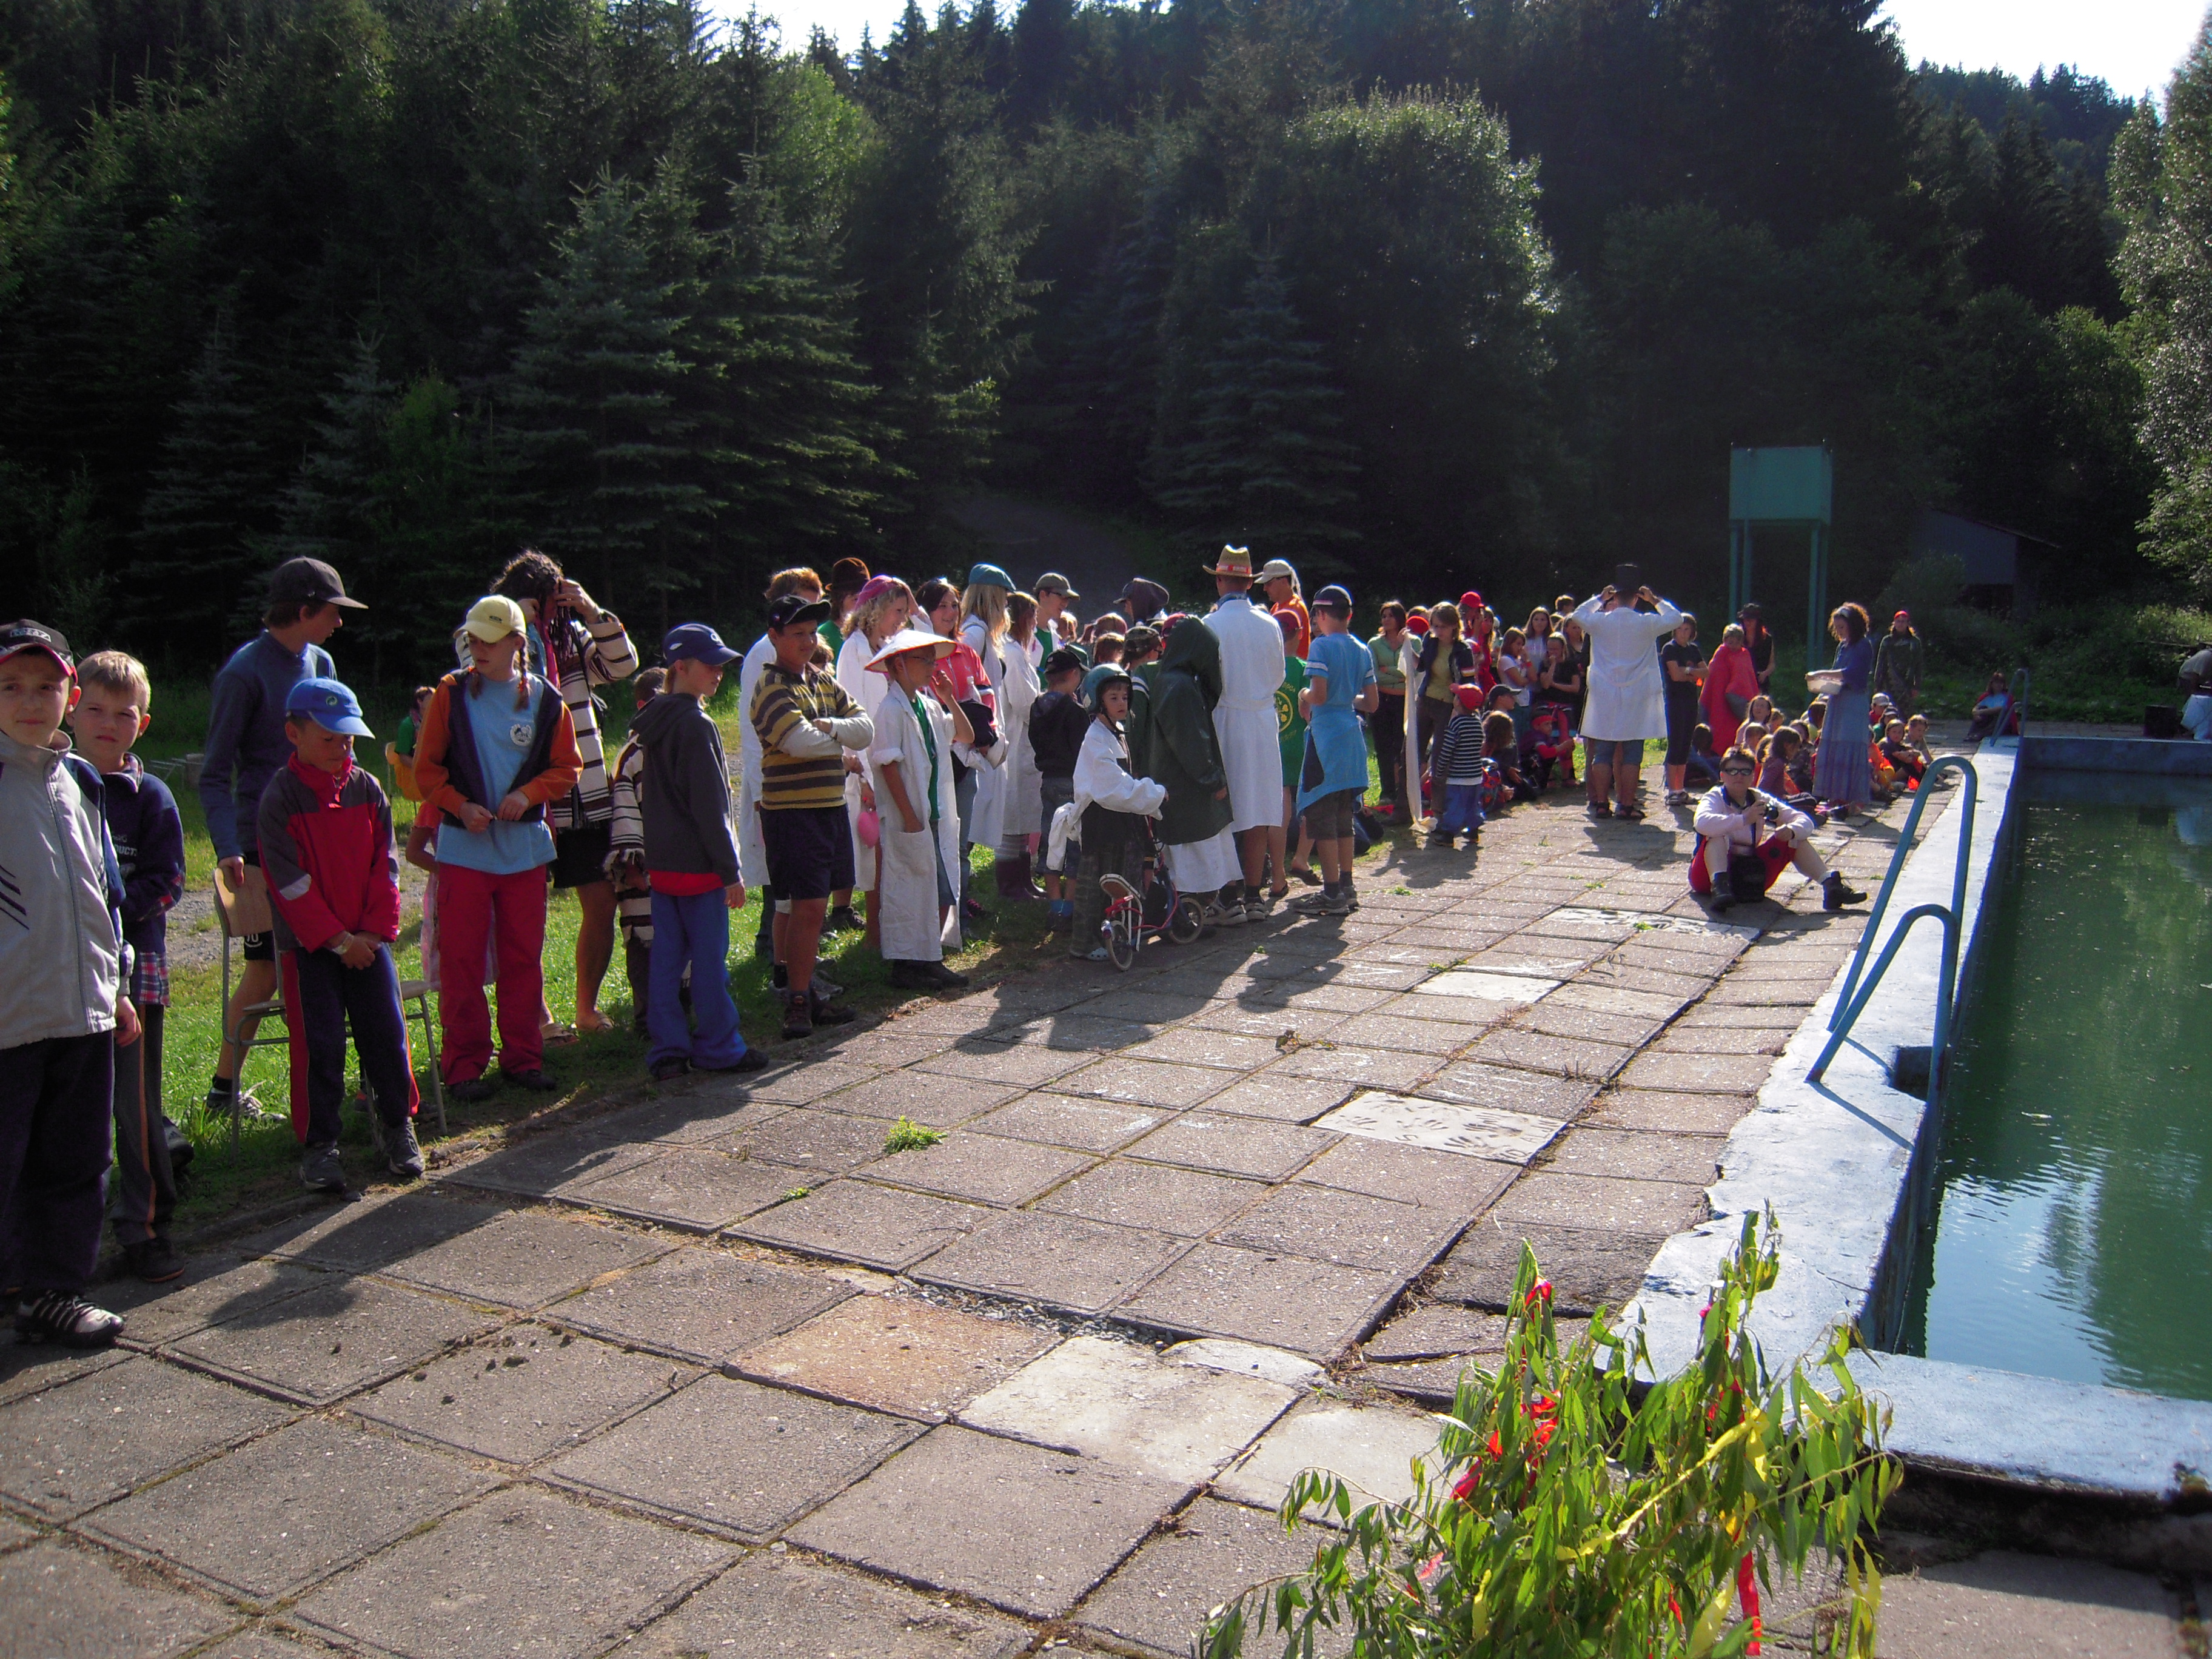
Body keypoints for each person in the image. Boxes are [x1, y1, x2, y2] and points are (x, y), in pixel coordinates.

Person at [0, 620, 134, 1347]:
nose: (31, 702)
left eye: (46, 686)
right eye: (11, 687)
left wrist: (117, 985)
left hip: (83, 1012)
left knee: (76, 1161)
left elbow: (104, 892)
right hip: (8, 1020)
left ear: (70, 695)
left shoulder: (81, 781)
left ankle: (52, 1292)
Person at [199, 556, 357, 1126]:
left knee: (327, 961)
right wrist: (228, 847)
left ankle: (329, 1086)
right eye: (333, 611)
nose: (340, 622)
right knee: (269, 970)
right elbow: (214, 774)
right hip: (264, 848)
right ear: (305, 609)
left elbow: (341, 748)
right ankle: (224, 1091)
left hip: (323, 836)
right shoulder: (244, 673)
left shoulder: (322, 662)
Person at [257, 677, 423, 1191]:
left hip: (368, 944)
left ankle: (397, 1126)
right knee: (319, 1045)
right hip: (311, 948)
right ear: (294, 734)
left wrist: (372, 934)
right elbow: (289, 884)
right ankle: (320, 1146)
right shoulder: (280, 798)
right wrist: (337, 940)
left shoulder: (367, 789)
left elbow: (385, 866)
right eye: (329, 739)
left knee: (387, 1034)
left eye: (347, 739)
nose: (341, 748)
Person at [413, 595, 581, 1101]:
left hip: (525, 854)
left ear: (516, 643)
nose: (478, 649)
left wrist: (527, 795)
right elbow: (426, 771)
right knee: (461, 962)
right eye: (472, 640)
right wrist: (460, 806)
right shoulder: (450, 693)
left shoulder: (548, 701)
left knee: (522, 960)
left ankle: (523, 1058)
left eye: (488, 640)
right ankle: (463, 1066)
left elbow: (567, 768)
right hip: (463, 854)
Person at [487, 551, 637, 1039]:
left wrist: (591, 612)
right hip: (524, 799)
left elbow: (623, 666)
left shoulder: (571, 637)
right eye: (547, 601)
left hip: (584, 797)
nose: (555, 611)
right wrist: (515, 626)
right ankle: (538, 1018)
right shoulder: (488, 633)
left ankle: (586, 1009)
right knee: (522, 917)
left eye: (560, 601)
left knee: (602, 902)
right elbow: (478, 678)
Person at [73, 652, 187, 1280]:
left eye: (124, 715)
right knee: (69, 1109)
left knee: (134, 1104)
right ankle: (57, 1242)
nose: (107, 724)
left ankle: (145, 1226)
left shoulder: (152, 797)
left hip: (132, 969)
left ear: (142, 725)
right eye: (95, 709)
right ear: (73, 710)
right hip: (61, 970)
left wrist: (106, 913)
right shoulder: (49, 785)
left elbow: (168, 881)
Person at [631, 625, 766, 1081]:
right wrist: (730, 871)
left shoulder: (653, 719)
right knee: (709, 964)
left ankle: (668, 1050)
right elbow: (710, 806)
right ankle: (718, 1047)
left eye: (721, 665)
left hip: (664, 867)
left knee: (666, 962)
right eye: (709, 665)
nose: (718, 672)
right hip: (701, 868)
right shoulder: (696, 723)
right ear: (680, 667)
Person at [751, 592, 874, 1039]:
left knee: (811, 907)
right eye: (797, 634)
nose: (807, 642)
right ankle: (799, 1001)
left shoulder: (821, 680)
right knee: (806, 907)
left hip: (828, 808)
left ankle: (798, 987)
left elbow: (865, 729)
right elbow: (797, 742)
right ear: (774, 636)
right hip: (794, 813)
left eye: (811, 634)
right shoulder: (771, 686)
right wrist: (838, 738)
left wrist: (827, 728)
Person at [866, 629, 973, 991]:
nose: (931, 667)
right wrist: (909, 817)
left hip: (934, 814)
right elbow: (887, 765)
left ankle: (929, 957)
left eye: (932, 660)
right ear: (899, 665)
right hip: (910, 817)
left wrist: (949, 699)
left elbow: (965, 736)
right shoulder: (890, 711)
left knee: (938, 890)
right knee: (909, 891)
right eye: (923, 660)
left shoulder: (928, 707)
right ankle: (907, 965)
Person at [737, 568, 827, 963]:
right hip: (778, 782)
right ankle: (776, 953)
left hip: (806, 780)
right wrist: (761, 791)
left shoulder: (807, 654)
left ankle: (797, 955)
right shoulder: (764, 654)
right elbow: (751, 726)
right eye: (805, 604)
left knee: (798, 874)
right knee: (783, 875)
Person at [1058, 664, 1168, 960]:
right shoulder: (1095, 739)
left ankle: (1117, 937)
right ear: (1098, 702)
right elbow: (1115, 788)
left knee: (1119, 882)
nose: (1122, 703)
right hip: (1101, 825)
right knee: (1097, 885)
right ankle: (1085, 943)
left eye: (1125, 697)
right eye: (1114, 698)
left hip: (1119, 822)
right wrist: (1155, 794)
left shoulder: (1114, 732)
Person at [1204, 546, 1287, 922]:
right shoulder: (1269, 623)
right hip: (1261, 720)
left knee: (1226, 808)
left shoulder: (1211, 624)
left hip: (1226, 718)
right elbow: (1278, 676)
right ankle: (1253, 895)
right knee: (1259, 809)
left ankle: (1228, 895)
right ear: (1250, 583)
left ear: (1220, 581)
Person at [1692, 746, 1866, 912]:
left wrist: (1791, 830)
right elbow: (1701, 823)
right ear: (1722, 775)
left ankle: (1830, 885)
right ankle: (1720, 888)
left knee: (1794, 838)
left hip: (1749, 875)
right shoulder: (1714, 797)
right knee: (1716, 835)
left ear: (1753, 776)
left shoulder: (1759, 798)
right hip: (1707, 877)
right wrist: (1744, 819)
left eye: (1745, 771)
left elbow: (1804, 820)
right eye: (1732, 771)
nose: (1739, 776)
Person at [1148, 615, 1241, 919]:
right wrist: (1213, 779)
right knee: (1195, 854)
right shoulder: (1180, 686)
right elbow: (1189, 742)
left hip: (1180, 783)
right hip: (1186, 788)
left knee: (1200, 850)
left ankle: (1200, 908)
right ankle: (1188, 913)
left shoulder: (1175, 680)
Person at [1294, 585, 1379, 916]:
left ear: (1320, 615)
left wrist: (1302, 694)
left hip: (1326, 739)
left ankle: (1331, 894)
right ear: (1350, 615)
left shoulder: (1321, 646)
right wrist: (1345, 699)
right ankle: (1347, 886)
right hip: (1352, 739)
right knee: (1345, 814)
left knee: (1320, 815)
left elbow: (1318, 694)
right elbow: (1371, 703)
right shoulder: (1362, 649)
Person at [1574, 581, 1682, 820]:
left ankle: (1602, 803)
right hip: (1636, 694)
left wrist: (1599, 599)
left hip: (1605, 693)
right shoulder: (1647, 622)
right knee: (1632, 754)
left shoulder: (1600, 621)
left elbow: (1578, 615)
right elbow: (1676, 618)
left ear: (1614, 597)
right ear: (1636, 598)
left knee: (1603, 753)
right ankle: (1626, 805)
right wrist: (1655, 600)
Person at [605, 667, 664, 1034]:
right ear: (643, 706)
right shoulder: (631, 757)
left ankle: (680, 1009)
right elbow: (622, 815)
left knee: (677, 942)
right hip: (642, 874)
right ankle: (646, 1018)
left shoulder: (677, 745)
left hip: (675, 870)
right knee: (644, 942)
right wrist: (631, 866)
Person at [1030, 646, 1090, 933]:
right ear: (1074, 675)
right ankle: (1070, 907)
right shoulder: (1075, 711)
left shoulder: (1037, 706)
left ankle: (1054, 906)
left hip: (1048, 781)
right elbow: (1083, 749)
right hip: (1072, 781)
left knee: (1050, 840)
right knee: (1074, 844)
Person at [993, 591, 1045, 900]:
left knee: (1025, 813)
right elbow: (1024, 702)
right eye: (1033, 617)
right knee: (1012, 814)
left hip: (1026, 742)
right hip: (1016, 740)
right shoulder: (1011, 653)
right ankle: (1009, 883)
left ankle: (1024, 880)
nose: (1036, 623)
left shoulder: (1019, 651)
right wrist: (1045, 707)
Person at [1409, 602, 1474, 813]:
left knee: (1439, 761)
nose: (1438, 631)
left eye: (1443, 627)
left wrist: (1460, 706)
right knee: (1411, 752)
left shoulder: (1463, 650)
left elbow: (1470, 683)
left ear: (1455, 625)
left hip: (1448, 707)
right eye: (1435, 626)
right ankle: (1405, 807)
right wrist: (1407, 647)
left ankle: (1439, 812)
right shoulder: (1430, 641)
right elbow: (1422, 666)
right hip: (1426, 700)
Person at [1812, 603, 1875, 816]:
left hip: (1854, 702)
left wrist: (1822, 674)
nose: (1839, 632)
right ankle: (1834, 796)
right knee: (1833, 744)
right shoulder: (1843, 646)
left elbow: (1852, 673)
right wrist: (1822, 687)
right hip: (1838, 701)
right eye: (1837, 628)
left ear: (1853, 625)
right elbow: (1836, 672)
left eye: (1842, 627)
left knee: (1849, 744)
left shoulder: (1864, 645)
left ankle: (1853, 799)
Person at [1273, 609, 1312, 900]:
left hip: (1274, 748)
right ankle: (1301, 857)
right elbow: (1307, 711)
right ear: (1299, 634)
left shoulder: (1266, 668)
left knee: (1280, 814)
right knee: (1312, 804)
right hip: (1300, 746)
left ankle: (1278, 875)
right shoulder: (1303, 668)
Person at [1429, 685, 1489, 849]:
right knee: (1473, 804)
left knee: (1455, 806)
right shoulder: (1477, 722)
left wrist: (1440, 769)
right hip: (1475, 775)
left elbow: (1448, 749)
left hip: (1458, 776)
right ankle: (1473, 830)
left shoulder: (1456, 723)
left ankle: (1448, 835)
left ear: (1458, 702)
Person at [1369, 602, 1410, 820]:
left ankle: (1404, 790)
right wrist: (1398, 675)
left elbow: (1411, 672)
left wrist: (1391, 671)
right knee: (1383, 745)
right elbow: (1374, 674)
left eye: (1390, 616)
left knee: (1402, 746)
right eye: (1383, 616)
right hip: (1382, 700)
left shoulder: (1412, 642)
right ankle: (1387, 791)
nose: (1386, 620)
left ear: (1400, 618)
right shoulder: (1374, 644)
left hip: (1405, 701)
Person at [1660, 614, 1705, 805]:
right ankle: (1672, 789)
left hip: (1690, 700)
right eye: (1679, 629)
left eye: (1686, 630)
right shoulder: (1670, 649)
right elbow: (1675, 676)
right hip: (1675, 701)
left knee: (1686, 744)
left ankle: (1681, 788)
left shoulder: (1693, 650)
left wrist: (1687, 671)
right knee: (1676, 743)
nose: (1682, 633)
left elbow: (1706, 672)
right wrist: (1692, 674)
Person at [1699, 622, 1756, 757]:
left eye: (1736, 643)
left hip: (1731, 706)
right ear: (1725, 640)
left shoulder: (1743, 655)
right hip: (1719, 704)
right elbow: (1714, 681)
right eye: (1730, 642)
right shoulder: (1721, 654)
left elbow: (1744, 681)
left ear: (1741, 642)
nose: (1733, 646)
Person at [387, 684, 435, 803]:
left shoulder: (436, 721)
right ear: (420, 701)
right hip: (411, 771)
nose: (435, 701)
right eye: (431, 698)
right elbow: (403, 757)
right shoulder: (408, 725)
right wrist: (424, 768)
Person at [1872, 610, 1924, 717]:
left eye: (1903, 621)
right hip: (1888, 683)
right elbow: (1880, 663)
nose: (1900, 624)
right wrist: (1877, 684)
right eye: (1898, 621)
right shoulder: (1887, 641)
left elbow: (1918, 666)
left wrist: (1917, 686)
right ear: (1894, 623)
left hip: (1907, 683)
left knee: (1906, 714)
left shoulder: (1914, 642)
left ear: (1908, 624)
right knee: (1888, 713)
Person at [821, 558, 872, 658]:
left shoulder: (875, 636)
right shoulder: (824, 636)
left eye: (866, 599)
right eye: (855, 599)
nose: (862, 605)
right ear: (839, 600)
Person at [1738, 602, 1775, 699]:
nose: (1748, 623)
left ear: (1757, 621)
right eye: (1746, 620)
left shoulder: (1767, 639)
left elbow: (1772, 664)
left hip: (1760, 684)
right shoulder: (1738, 638)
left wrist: (1765, 674)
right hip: (1741, 683)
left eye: (1751, 620)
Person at [1034, 572, 1079, 649]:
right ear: (1043, 595)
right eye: (1061, 597)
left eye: (1067, 599)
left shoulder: (1054, 635)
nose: (1065, 604)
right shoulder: (1020, 630)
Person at [1965, 671, 2014, 742]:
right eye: (1996, 683)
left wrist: (1982, 712)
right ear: (1992, 684)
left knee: (2002, 714)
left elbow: (2001, 708)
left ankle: (1982, 734)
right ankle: (1972, 734)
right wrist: (1975, 713)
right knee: (1981, 709)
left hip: (2003, 725)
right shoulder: (1987, 696)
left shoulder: (2007, 696)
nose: (1999, 685)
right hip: (1989, 720)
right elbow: (1976, 707)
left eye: (2001, 683)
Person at [2179, 643, 2212, 740]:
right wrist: (2193, 692)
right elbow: (2195, 674)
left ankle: (2204, 725)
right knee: (2192, 702)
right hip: (2187, 676)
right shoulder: (2207, 657)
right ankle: (2186, 727)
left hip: (2199, 679)